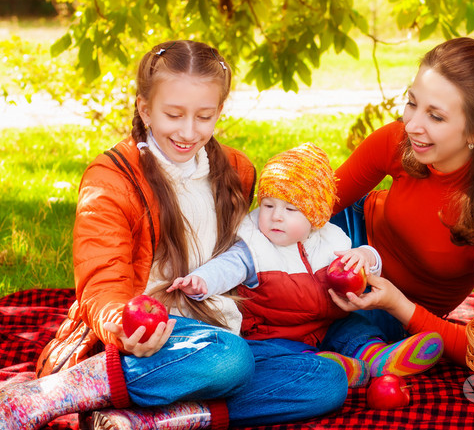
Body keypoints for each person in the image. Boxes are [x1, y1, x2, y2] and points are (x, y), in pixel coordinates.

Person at [0, 40, 347, 430]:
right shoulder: (112, 180)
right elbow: (101, 278)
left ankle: (146, 418)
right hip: (147, 337)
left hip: (223, 332)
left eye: (204, 117)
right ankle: (47, 396)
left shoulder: (236, 170)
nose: (189, 132)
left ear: (219, 112)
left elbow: (266, 243)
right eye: (173, 114)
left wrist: (351, 260)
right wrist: (122, 326)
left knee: (325, 380)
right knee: (229, 360)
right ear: (145, 108)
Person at [329, 37, 474, 366]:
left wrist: (396, 304)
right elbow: (320, 201)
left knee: (337, 316)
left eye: (436, 116)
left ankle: (364, 348)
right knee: (283, 226)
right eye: (412, 103)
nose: (413, 125)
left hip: (397, 305)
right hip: (349, 235)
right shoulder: (397, 141)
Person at [171, 142, 443, 388]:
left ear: (315, 217)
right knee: (279, 355)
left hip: (327, 324)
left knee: (355, 327)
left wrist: (365, 256)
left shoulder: (328, 238)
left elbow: (366, 265)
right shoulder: (255, 246)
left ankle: (376, 355)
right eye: (268, 205)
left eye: (290, 210)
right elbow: (226, 267)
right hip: (275, 333)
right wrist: (200, 281)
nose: (276, 217)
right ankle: (330, 365)